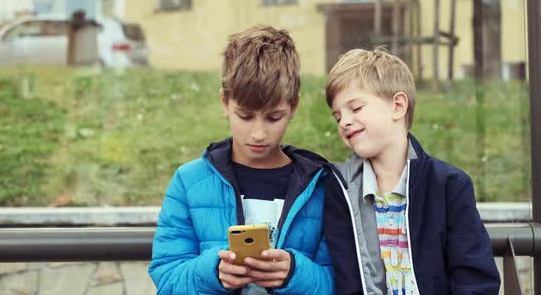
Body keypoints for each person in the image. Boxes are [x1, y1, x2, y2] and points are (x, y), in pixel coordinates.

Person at [148, 25, 335, 294]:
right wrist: (214, 273)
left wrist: (294, 273)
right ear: (225, 102)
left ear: (293, 106)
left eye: (274, 117)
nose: (258, 133)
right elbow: (167, 280)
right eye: (245, 116)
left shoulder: (321, 188)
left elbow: (342, 281)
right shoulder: (188, 183)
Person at [323, 48, 500, 294]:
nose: (344, 122)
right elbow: (346, 279)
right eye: (337, 116)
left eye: (355, 108)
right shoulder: (340, 190)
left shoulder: (448, 185)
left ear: (398, 105)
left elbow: (474, 278)